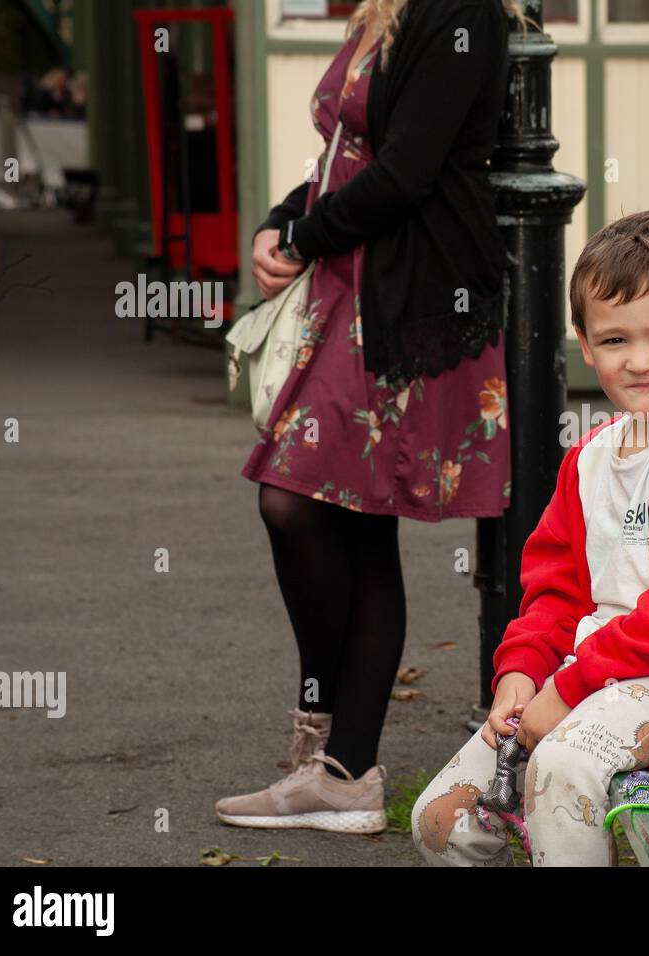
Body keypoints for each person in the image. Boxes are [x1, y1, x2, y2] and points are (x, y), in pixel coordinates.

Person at [215, 0, 530, 834]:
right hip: (353, 292)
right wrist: (284, 220)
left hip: (408, 299)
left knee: (294, 501)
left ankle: (337, 757)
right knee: (352, 526)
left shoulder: (461, 12)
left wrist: (308, 236)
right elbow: (346, 155)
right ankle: (340, 766)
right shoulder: (384, 10)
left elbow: (408, 170)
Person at [411, 209, 649, 865]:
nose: (640, 360)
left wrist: (566, 691)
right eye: (616, 340)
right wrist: (520, 672)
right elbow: (556, 589)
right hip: (602, 671)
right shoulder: (591, 454)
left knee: (561, 769)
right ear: (585, 345)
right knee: (439, 819)